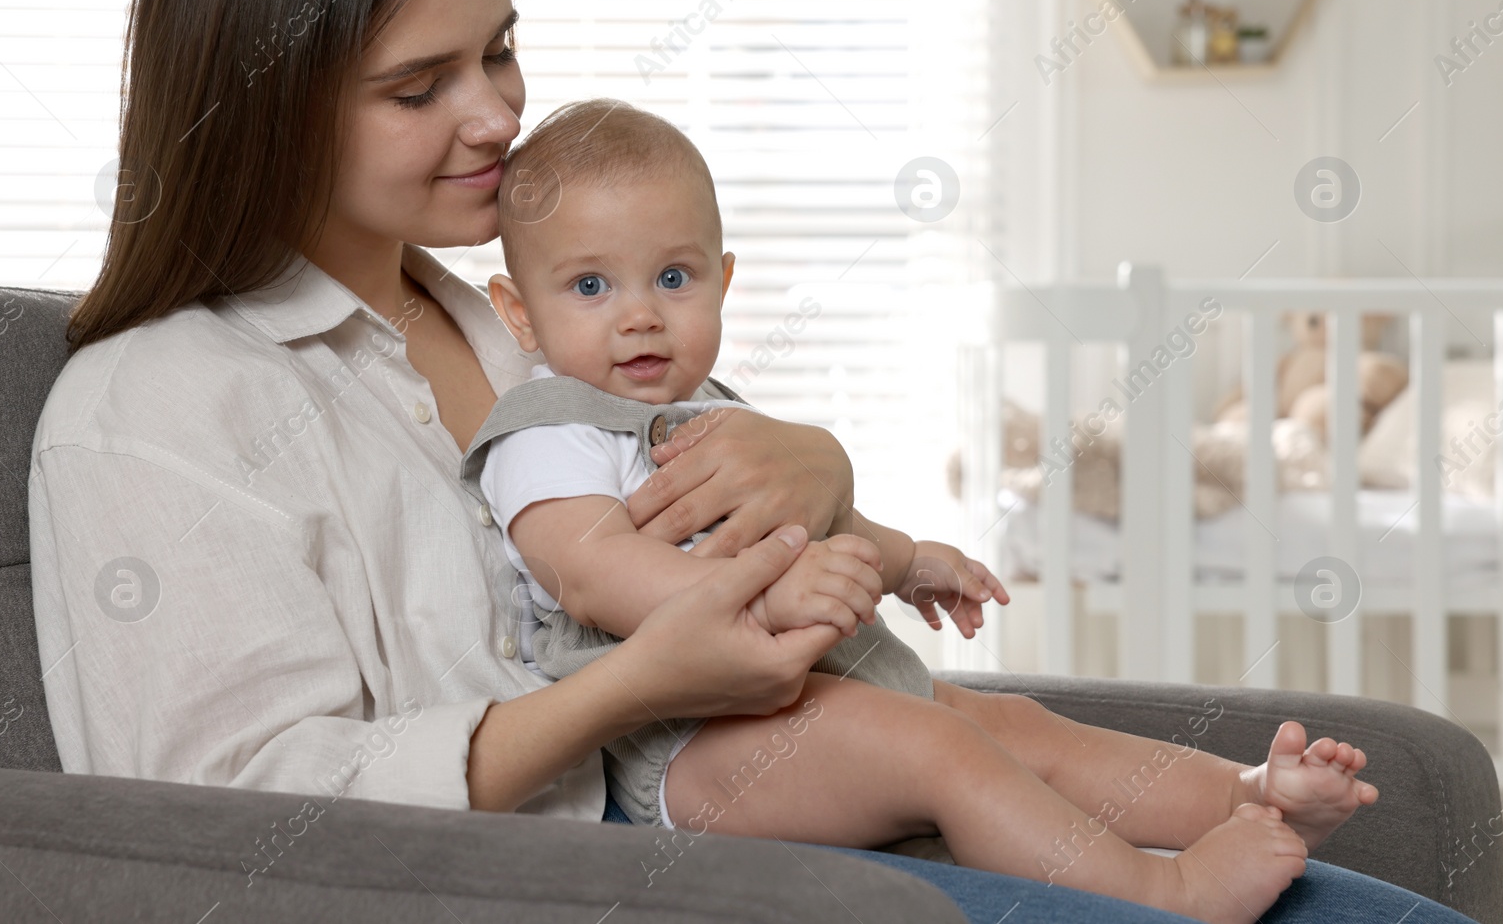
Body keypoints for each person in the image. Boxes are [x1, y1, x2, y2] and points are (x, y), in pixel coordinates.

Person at [25, 0, 1479, 921]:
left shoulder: (517, 320)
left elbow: (687, 477)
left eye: (503, 48)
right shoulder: (153, 405)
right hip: (618, 861)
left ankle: (1228, 821)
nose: (497, 114)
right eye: (422, 87)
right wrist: (639, 684)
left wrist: (821, 469)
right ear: (264, 103)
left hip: (798, 797)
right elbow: (215, 825)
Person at [464, 98, 1375, 923]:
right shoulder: (548, 429)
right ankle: (1167, 890)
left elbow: (812, 525)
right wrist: (765, 602)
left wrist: (902, 559)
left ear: (724, 280)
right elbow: (590, 572)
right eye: (591, 287)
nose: (640, 318)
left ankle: (1240, 793)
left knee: (1012, 723)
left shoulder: (718, 410)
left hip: (832, 688)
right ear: (520, 312)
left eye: (672, 278)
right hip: (691, 745)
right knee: (938, 747)